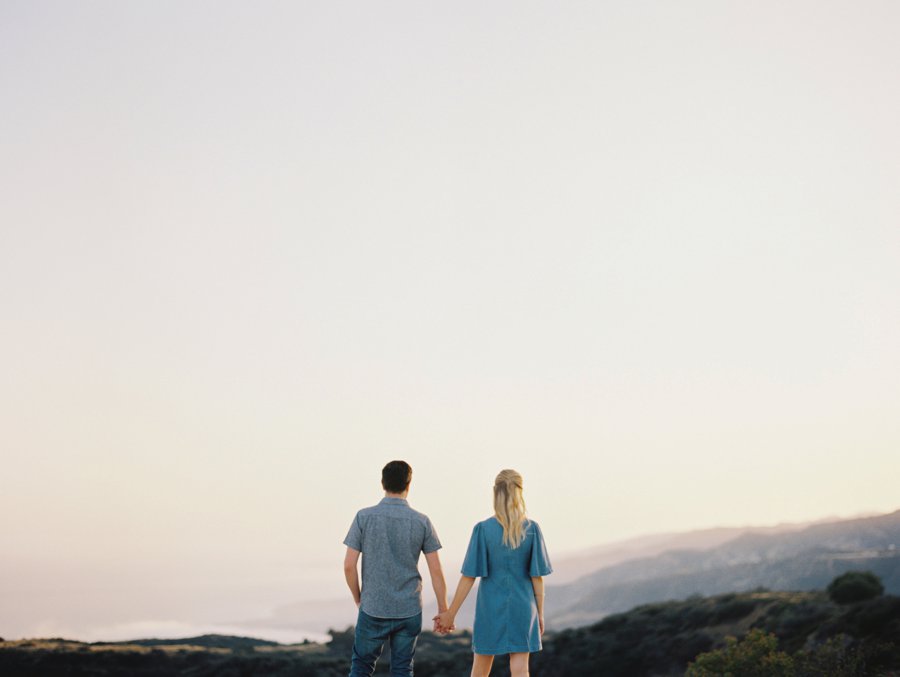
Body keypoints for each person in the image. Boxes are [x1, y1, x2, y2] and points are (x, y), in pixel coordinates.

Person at [434, 469, 552, 677]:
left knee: (480, 666)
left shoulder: (483, 529)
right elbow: (537, 578)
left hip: (489, 608)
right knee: (520, 667)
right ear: (520, 492)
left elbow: (469, 576)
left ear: (495, 492)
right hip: (524, 607)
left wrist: (450, 613)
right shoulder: (532, 529)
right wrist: (539, 613)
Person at [343, 460, 449, 677]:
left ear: (382, 483)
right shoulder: (422, 522)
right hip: (408, 608)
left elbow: (348, 566)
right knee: (402, 669)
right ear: (409, 485)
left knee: (361, 666)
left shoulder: (363, 517)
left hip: (372, 606)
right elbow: (436, 570)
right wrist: (443, 610)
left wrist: (359, 598)